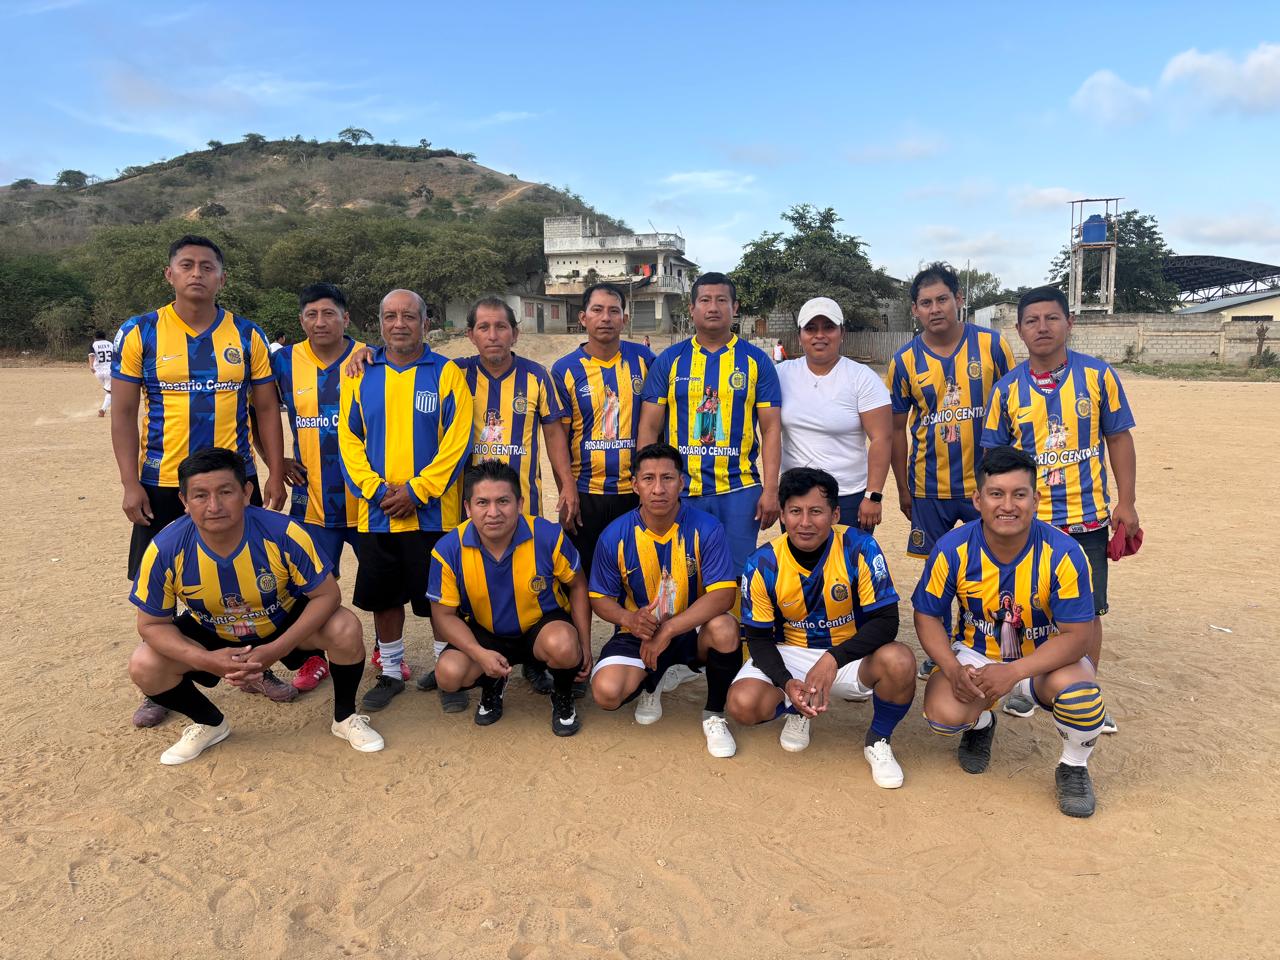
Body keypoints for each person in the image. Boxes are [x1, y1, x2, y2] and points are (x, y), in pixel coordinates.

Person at [112, 235, 289, 728]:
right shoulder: (140, 332)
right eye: (186, 265)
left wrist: (275, 471)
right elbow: (123, 412)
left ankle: (255, 669)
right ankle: (164, 686)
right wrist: (129, 483)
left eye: (207, 266)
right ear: (169, 275)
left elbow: (266, 408)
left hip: (236, 481)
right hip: (163, 481)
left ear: (221, 278)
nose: (197, 273)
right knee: (160, 586)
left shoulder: (247, 335)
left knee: (249, 576)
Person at [126, 448, 383, 765]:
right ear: (184, 501)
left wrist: (275, 649)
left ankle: (345, 718)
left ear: (247, 492)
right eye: (200, 495)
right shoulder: (165, 548)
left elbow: (328, 595)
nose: (214, 506)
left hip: (281, 622)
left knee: (345, 627)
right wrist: (207, 660)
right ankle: (209, 723)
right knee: (144, 663)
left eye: (225, 492)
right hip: (211, 630)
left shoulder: (283, 532)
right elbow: (151, 625)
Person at [913, 446, 1104, 817]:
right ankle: (982, 722)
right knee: (942, 715)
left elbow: (1079, 635)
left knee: (1081, 697)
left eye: (1019, 494)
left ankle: (1074, 765)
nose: (1008, 505)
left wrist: (1014, 671)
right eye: (996, 494)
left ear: (1036, 499)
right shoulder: (953, 548)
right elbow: (927, 616)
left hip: (1043, 660)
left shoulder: (1063, 552)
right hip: (976, 656)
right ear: (978, 500)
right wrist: (952, 668)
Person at [981, 285, 1137, 731]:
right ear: (1019, 330)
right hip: (1029, 522)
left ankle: (1085, 691)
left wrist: (1126, 502)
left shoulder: (1098, 376)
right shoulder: (1007, 390)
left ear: (1070, 322)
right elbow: (994, 459)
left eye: (1052, 318)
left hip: (1086, 519)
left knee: (1088, 611)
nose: (1042, 327)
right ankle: (1025, 687)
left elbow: (1118, 438)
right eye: (1032, 320)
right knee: (1026, 607)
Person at [727, 468, 914, 788]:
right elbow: (757, 638)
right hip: (791, 653)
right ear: (782, 515)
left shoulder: (859, 547)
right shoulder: (762, 563)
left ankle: (879, 739)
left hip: (848, 654)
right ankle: (797, 709)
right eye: (795, 511)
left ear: (835, 514)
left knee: (900, 661)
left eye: (816, 511)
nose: (805, 522)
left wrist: (832, 659)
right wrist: (786, 681)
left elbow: (887, 621)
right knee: (742, 704)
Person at [430, 296, 576, 699]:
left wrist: (566, 484)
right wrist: (366, 355)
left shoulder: (536, 376)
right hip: (472, 507)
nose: (493, 335)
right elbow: (408, 360)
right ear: (470, 334)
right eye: (484, 327)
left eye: (501, 327)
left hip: (522, 503)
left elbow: (553, 435)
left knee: (530, 581)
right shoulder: (455, 373)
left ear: (515, 332)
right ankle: (468, 655)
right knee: (472, 582)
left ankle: (536, 661)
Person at [338, 288, 473, 714]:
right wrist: (377, 491)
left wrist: (417, 491)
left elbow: (457, 442)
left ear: (425, 323)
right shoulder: (359, 373)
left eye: (409, 316)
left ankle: (446, 671)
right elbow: (348, 440)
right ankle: (392, 672)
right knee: (385, 598)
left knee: (439, 598)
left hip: (434, 513)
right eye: (391, 316)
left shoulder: (447, 373)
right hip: (377, 513)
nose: (400, 324)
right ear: (379, 323)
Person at [886, 262, 1014, 680]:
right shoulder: (904, 360)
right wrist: (903, 488)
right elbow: (897, 430)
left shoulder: (993, 346)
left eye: (942, 299)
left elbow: (1017, 409)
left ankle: (992, 645)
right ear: (915, 310)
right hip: (929, 487)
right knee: (937, 572)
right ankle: (939, 649)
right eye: (926, 303)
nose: (935, 308)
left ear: (959, 299)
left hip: (988, 487)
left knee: (992, 566)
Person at [588, 443, 741, 756]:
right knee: (606, 693)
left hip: (691, 629)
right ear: (635, 485)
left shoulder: (706, 528)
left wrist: (669, 629)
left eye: (667, 478)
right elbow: (599, 598)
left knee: (725, 628)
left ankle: (714, 713)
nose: (658, 489)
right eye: (648, 479)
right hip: (639, 633)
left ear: (681, 482)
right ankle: (652, 680)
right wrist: (629, 619)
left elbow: (724, 594)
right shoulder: (615, 534)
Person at [427, 461, 592, 736]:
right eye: (482, 502)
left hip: (541, 628)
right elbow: (442, 616)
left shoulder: (548, 536)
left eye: (503, 501)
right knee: (448, 674)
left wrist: (584, 644)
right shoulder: (448, 550)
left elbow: (578, 585)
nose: (493, 512)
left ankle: (563, 695)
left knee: (564, 644)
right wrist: (479, 654)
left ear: (520, 503)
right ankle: (492, 683)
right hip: (486, 632)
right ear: (468, 507)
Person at [637, 272, 782, 574]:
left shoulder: (756, 361)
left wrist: (771, 490)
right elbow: (649, 427)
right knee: (681, 573)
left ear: (735, 307)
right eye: (704, 300)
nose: (713, 307)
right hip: (682, 490)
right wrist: (646, 482)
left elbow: (770, 430)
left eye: (721, 300)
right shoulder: (670, 360)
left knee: (735, 574)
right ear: (692, 308)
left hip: (739, 489)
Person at [271, 283, 371, 693]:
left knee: (380, 584)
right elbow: (257, 412)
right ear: (301, 321)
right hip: (311, 500)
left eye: (329, 313)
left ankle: (387, 652)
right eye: (311, 314)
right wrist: (276, 462)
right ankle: (313, 656)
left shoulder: (371, 357)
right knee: (307, 587)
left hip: (367, 501)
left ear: (345, 318)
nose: (320, 322)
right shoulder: (284, 362)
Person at [550, 283, 656, 579]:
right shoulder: (564, 369)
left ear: (625, 318)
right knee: (581, 576)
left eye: (613, 311)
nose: (605, 318)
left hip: (634, 491)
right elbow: (558, 438)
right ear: (583, 318)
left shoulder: (645, 361)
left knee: (635, 574)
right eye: (597, 310)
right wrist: (565, 489)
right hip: (586, 492)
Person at [777, 297, 892, 530]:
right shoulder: (781, 375)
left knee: (849, 555)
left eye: (828, 327)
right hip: (796, 497)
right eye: (811, 328)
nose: (819, 335)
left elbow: (882, 438)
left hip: (848, 496)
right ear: (799, 336)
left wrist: (873, 495)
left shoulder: (862, 378)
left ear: (842, 333)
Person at [89, 329, 113, 417]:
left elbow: (92, 355)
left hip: (98, 372)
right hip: (110, 371)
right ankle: (103, 409)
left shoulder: (93, 344)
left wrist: (91, 366)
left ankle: (109, 406)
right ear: (105, 337)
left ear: (95, 337)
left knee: (109, 390)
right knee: (111, 392)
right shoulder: (111, 344)